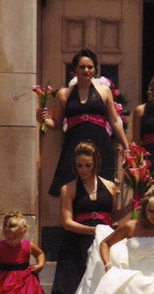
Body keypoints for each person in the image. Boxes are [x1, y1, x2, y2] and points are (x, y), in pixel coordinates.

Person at [36, 48, 130, 196]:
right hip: (74, 146)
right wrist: (44, 120)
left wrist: (126, 147)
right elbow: (57, 123)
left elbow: (115, 121)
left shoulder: (104, 91)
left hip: (100, 145)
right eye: (82, 67)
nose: (86, 70)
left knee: (102, 189)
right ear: (75, 69)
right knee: (72, 189)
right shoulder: (64, 94)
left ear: (95, 70)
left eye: (90, 67)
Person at [52, 141, 131, 294]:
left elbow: (112, 216)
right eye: (79, 166)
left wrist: (129, 208)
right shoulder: (68, 189)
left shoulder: (109, 186)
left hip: (105, 241)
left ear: (95, 163)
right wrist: (93, 230)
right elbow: (67, 222)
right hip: (77, 243)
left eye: (87, 165)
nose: (83, 170)